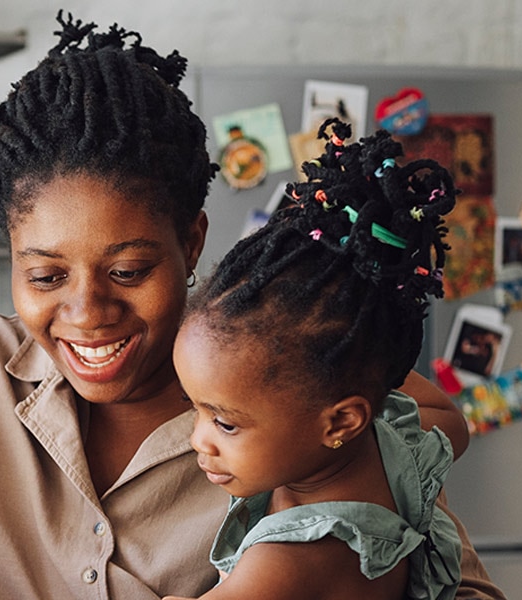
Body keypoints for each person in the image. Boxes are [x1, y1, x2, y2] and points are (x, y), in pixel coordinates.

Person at [0, 13, 506, 600]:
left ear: (191, 240)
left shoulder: (297, 377)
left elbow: (445, 563)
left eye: (128, 269)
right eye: (46, 276)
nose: (87, 311)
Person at [164, 121, 465, 600]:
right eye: (195, 407)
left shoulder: (289, 562)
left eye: (224, 423)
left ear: (342, 419)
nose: (197, 438)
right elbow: (452, 420)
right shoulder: (399, 447)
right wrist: (356, 354)